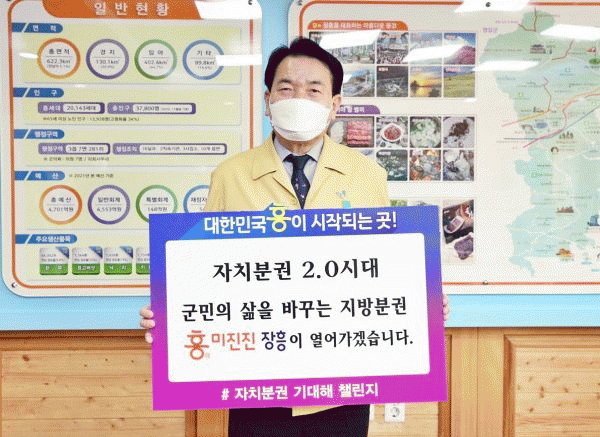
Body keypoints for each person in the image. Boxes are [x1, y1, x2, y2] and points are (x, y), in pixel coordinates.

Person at [140, 37, 450, 437]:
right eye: (286, 88)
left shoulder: (367, 176)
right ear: (268, 100)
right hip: (257, 380)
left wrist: (420, 301)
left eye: (314, 90)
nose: (299, 98)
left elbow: (384, 267)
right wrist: (169, 312)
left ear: (335, 104)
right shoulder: (230, 175)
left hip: (343, 380)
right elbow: (202, 273)